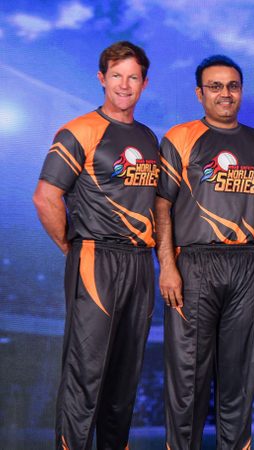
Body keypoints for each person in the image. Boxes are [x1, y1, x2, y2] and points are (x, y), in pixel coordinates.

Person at [33, 41, 157, 450]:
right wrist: (71, 247)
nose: (124, 85)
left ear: (144, 83)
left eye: (133, 77)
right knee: (86, 373)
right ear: (102, 78)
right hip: (95, 257)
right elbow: (45, 197)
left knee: (125, 377)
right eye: (116, 75)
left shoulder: (147, 137)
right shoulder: (79, 131)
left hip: (140, 262)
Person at [156, 55, 254, 450]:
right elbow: (161, 205)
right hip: (194, 264)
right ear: (200, 93)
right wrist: (167, 265)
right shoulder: (180, 137)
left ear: (241, 91)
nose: (225, 94)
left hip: (247, 264)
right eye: (216, 86)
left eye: (232, 86)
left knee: (239, 379)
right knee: (188, 379)